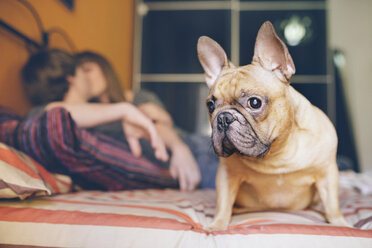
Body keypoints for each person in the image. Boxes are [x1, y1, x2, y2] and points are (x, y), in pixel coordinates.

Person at [21, 49, 217, 190]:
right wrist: (123, 110)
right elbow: (45, 116)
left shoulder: (116, 106)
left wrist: (179, 148)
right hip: (181, 163)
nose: (88, 78)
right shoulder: (60, 121)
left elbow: (156, 125)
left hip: (192, 150)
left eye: (89, 69)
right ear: (71, 78)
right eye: (83, 71)